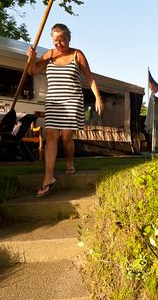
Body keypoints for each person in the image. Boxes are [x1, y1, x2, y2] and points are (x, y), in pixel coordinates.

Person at [27, 23, 103, 197]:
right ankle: (48, 178)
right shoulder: (49, 55)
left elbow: (90, 78)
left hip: (72, 101)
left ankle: (69, 161)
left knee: (67, 137)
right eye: (55, 40)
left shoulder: (77, 54)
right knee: (51, 135)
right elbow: (32, 71)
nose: (59, 44)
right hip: (54, 101)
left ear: (69, 38)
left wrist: (98, 98)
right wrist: (31, 58)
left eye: (62, 40)